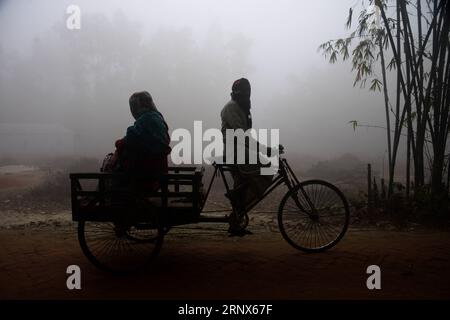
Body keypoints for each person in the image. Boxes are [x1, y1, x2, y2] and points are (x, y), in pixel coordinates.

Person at [220, 78, 274, 236]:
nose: (247, 96)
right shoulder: (231, 108)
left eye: (248, 93)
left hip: (241, 151)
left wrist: (262, 149)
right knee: (268, 169)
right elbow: (242, 135)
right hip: (236, 153)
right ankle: (241, 203)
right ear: (238, 93)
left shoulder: (240, 108)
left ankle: (236, 219)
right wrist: (264, 149)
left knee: (242, 184)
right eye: (245, 93)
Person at [113, 91, 171, 192]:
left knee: (111, 162)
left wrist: (118, 144)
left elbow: (130, 139)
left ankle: (112, 195)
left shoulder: (146, 120)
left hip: (143, 177)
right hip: (157, 175)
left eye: (133, 107)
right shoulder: (158, 119)